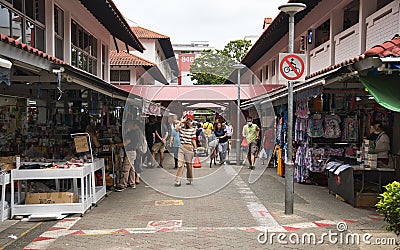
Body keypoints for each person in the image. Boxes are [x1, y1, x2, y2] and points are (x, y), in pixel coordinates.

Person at [116, 120, 140, 192]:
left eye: (127, 125)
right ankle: (132, 183)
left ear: (131, 125)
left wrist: (117, 145)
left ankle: (123, 185)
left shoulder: (131, 133)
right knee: (132, 168)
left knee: (125, 168)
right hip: (133, 151)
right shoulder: (137, 132)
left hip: (130, 152)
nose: (127, 126)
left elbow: (126, 143)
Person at [174, 110, 197, 187]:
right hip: (181, 146)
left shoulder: (193, 130)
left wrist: (196, 149)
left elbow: (193, 140)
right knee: (180, 164)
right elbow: (175, 128)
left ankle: (189, 179)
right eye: (186, 120)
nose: (186, 122)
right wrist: (181, 121)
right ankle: (178, 180)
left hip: (189, 148)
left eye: (187, 120)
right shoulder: (181, 128)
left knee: (189, 165)